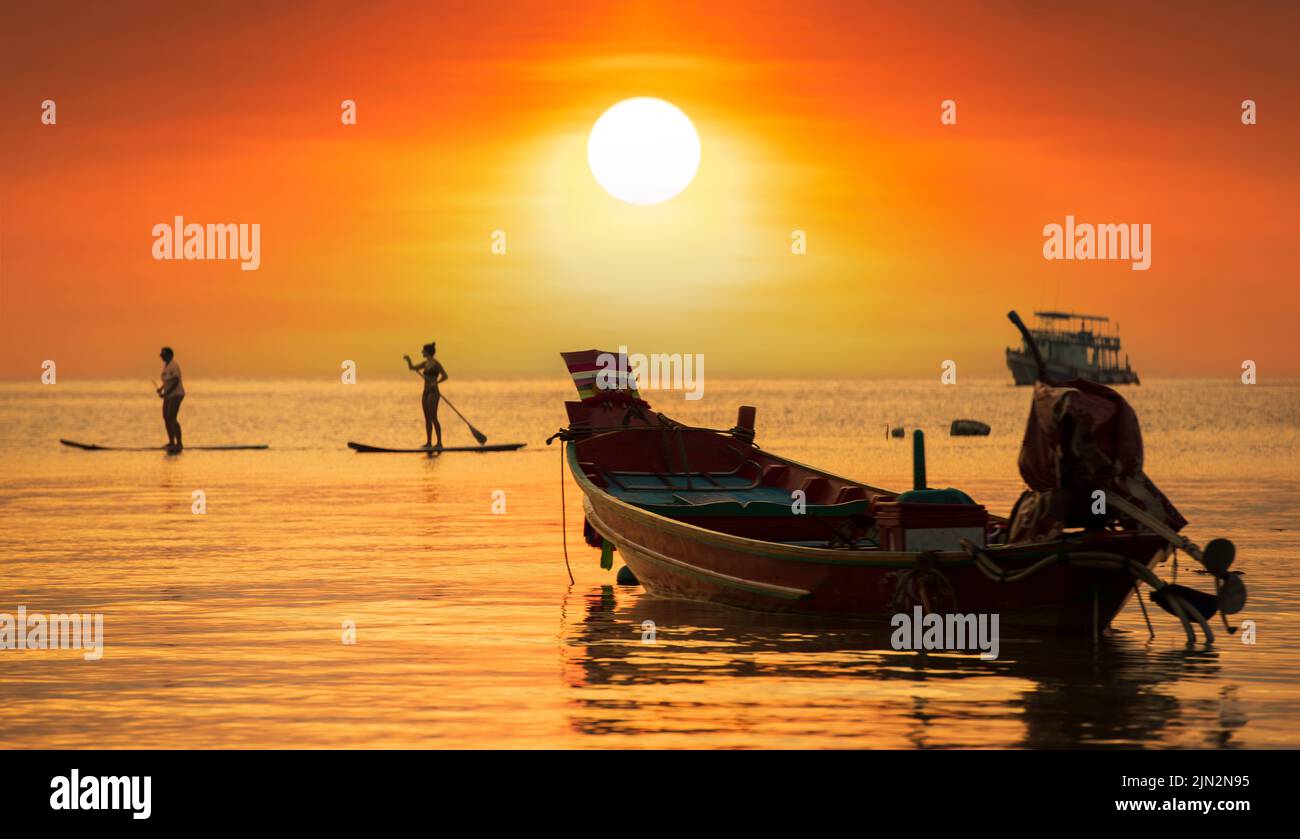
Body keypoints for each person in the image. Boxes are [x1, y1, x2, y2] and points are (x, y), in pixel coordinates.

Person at [403, 342, 448, 449]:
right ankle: (428, 443)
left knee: (433, 417)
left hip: (433, 392)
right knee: (427, 418)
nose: (422, 352)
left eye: (423, 350)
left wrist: (436, 383)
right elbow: (412, 368)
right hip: (425, 392)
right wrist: (408, 360)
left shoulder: (436, 364)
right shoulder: (425, 363)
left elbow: (445, 376)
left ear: (427, 352)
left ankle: (439, 443)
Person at [156, 347, 185, 451]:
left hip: (176, 394)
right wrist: (161, 389)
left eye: (163, 354)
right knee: (166, 417)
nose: (161, 356)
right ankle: (171, 442)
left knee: (172, 417)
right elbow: (167, 382)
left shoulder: (173, 365)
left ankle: (179, 443)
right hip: (168, 395)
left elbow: (176, 381)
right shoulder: (165, 367)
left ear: (168, 355)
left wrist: (166, 392)